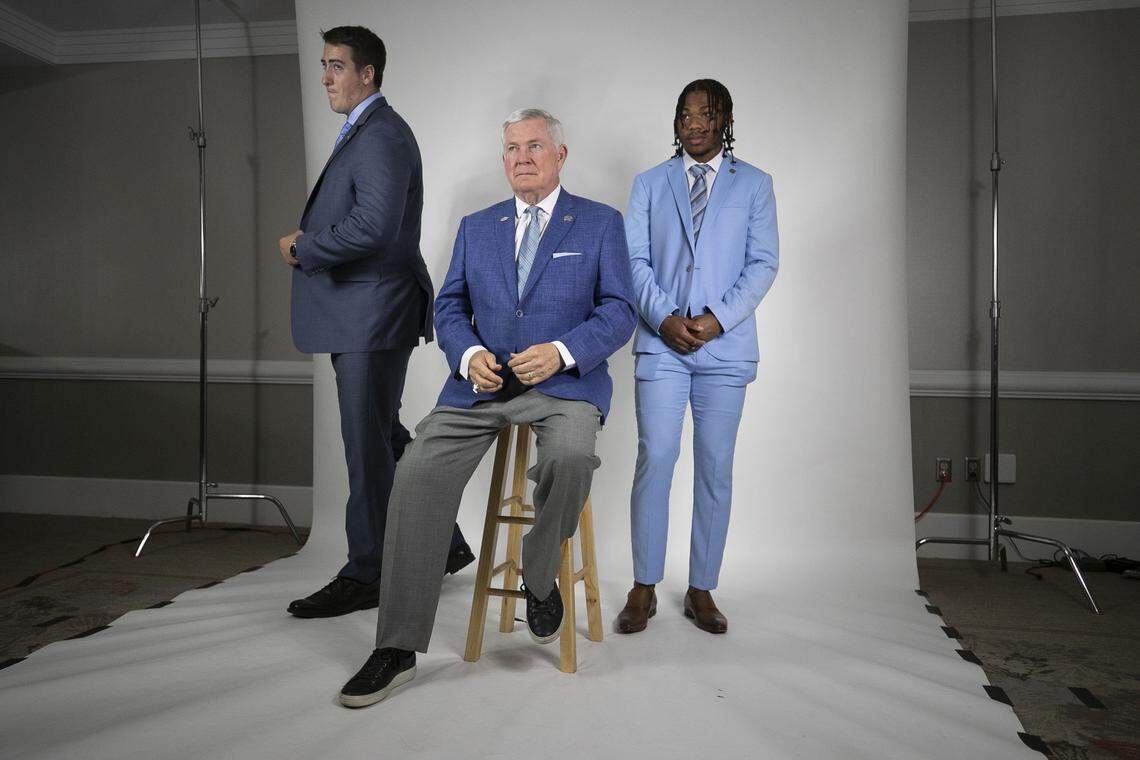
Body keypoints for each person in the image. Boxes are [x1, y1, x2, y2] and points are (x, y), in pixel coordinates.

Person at [336, 108, 636, 708]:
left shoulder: (601, 223)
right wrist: (467, 351)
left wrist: (562, 351)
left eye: (533, 146)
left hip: (564, 388)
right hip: (480, 389)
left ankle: (538, 570)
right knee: (417, 469)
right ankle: (395, 648)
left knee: (573, 458)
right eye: (510, 148)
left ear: (560, 154)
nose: (521, 157)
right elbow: (448, 306)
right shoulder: (479, 227)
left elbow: (619, 310)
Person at [277, 25, 472, 620]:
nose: (326, 77)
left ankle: (367, 572)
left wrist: (305, 247)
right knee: (383, 435)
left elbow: (373, 226)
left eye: (337, 66)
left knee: (366, 448)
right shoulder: (367, 130)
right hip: (364, 310)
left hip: (371, 312)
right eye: (324, 65)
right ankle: (446, 544)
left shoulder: (382, 133)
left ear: (369, 73)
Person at [617, 79, 779, 635]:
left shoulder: (755, 185)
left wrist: (715, 320)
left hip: (726, 349)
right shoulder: (648, 185)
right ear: (677, 121)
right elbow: (633, 260)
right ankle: (643, 587)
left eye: (706, 114)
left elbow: (763, 264)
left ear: (725, 118)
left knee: (715, 468)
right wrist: (664, 318)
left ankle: (702, 588)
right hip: (661, 345)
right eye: (685, 114)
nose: (695, 124)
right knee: (656, 459)